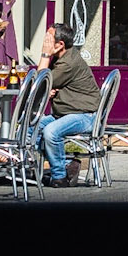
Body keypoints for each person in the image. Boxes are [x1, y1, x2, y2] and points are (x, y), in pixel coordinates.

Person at [39, 22, 101, 186]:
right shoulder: (61, 58)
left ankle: (60, 177)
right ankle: (66, 164)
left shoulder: (68, 63)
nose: (44, 42)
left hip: (84, 115)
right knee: (30, 128)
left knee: (50, 132)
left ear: (60, 44)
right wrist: (50, 87)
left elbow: (39, 83)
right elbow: (45, 84)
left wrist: (45, 55)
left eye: (48, 39)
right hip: (64, 114)